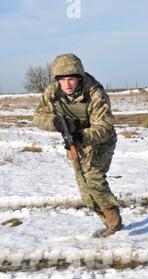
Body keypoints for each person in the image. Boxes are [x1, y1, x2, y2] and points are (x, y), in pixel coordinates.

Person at [33, 53, 122, 237]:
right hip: (74, 142)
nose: (67, 84)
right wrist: (55, 122)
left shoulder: (95, 92)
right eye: (62, 79)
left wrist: (81, 136)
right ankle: (107, 222)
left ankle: (114, 221)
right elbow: (38, 117)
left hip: (100, 141)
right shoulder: (53, 91)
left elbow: (104, 127)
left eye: (71, 79)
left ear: (79, 78)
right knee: (84, 189)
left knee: (94, 179)